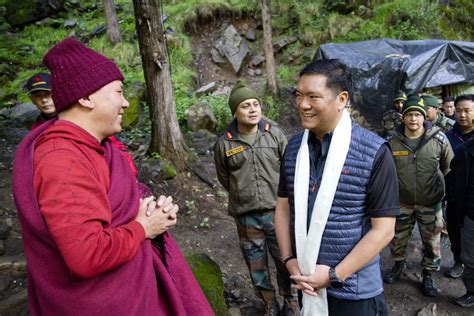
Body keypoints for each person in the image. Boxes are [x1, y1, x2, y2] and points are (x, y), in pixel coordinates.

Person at [12, 37, 213, 315]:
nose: (127, 103)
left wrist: (146, 210)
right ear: (85, 97)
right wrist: (143, 228)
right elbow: (87, 256)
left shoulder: (96, 148)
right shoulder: (62, 160)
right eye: (119, 92)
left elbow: (110, 207)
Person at [275, 59, 399, 315]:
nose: (302, 105)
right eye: (298, 95)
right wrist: (289, 260)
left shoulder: (373, 152)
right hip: (306, 281)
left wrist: (334, 274)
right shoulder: (294, 148)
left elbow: (384, 231)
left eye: (313, 97)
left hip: (354, 290)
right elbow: (284, 207)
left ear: (342, 99)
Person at [214, 82, 297, 316]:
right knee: (256, 264)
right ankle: (269, 303)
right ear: (235, 112)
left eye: (255, 104)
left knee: (285, 259)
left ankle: (290, 301)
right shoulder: (225, 143)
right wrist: (244, 195)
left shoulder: (275, 134)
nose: (252, 109)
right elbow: (225, 178)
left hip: (278, 213)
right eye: (245, 106)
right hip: (247, 216)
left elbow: (289, 169)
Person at [385, 95, 454, 297]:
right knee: (397, 239)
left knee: (432, 243)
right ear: (402, 117)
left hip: (430, 203)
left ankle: (429, 275)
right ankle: (398, 265)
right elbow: (384, 173)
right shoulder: (392, 142)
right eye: (409, 115)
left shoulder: (439, 140)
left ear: (424, 117)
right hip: (401, 203)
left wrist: (447, 199)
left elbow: (449, 169)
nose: (413, 119)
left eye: (417, 114)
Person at [444, 94, 474, 279]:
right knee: (455, 229)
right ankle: (458, 261)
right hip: (454, 194)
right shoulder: (448, 137)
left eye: (467, 111)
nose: (462, 115)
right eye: (459, 110)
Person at [447, 137, 474, 307]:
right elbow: (454, 178)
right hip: (471, 214)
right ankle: (472, 292)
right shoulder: (466, 151)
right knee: (470, 258)